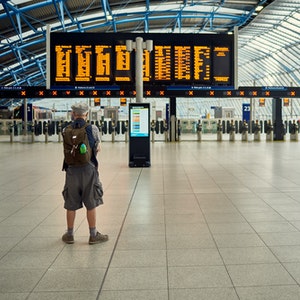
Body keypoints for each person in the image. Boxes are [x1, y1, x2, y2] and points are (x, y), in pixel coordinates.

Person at [61, 102, 108, 245]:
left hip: (71, 170)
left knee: (70, 203)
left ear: (73, 114)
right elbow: (97, 148)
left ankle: (69, 235)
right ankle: (93, 235)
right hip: (88, 169)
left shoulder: (65, 129)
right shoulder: (92, 128)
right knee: (91, 202)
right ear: (86, 114)